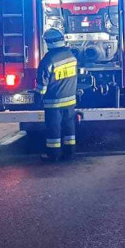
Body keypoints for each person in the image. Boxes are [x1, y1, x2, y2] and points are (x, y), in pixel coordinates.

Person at [35, 28, 78, 162]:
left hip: (54, 102)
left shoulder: (48, 60)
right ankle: (70, 153)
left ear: (48, 42)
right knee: (69, 127)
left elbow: (42, 83)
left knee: (54, 130)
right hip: (70, 100)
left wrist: (38, 97)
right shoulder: (71, 55)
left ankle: (53, 155)